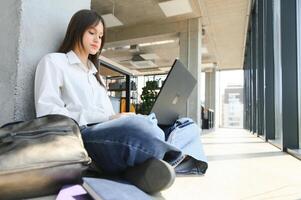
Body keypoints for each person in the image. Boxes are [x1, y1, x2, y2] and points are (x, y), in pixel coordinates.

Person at [34, 9, 207, 194]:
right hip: (82, 136)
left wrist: (126, 117)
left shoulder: (95, 76)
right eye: (92, 33)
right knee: (142, 130)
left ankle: (151, 163)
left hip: (110, 132)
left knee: (186, 124)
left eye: (100, 36)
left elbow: (111, 117)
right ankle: (171, 159)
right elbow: (48, 113)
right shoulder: (54, 62)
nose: (97, 40)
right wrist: (111, 118)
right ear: (77, 30)